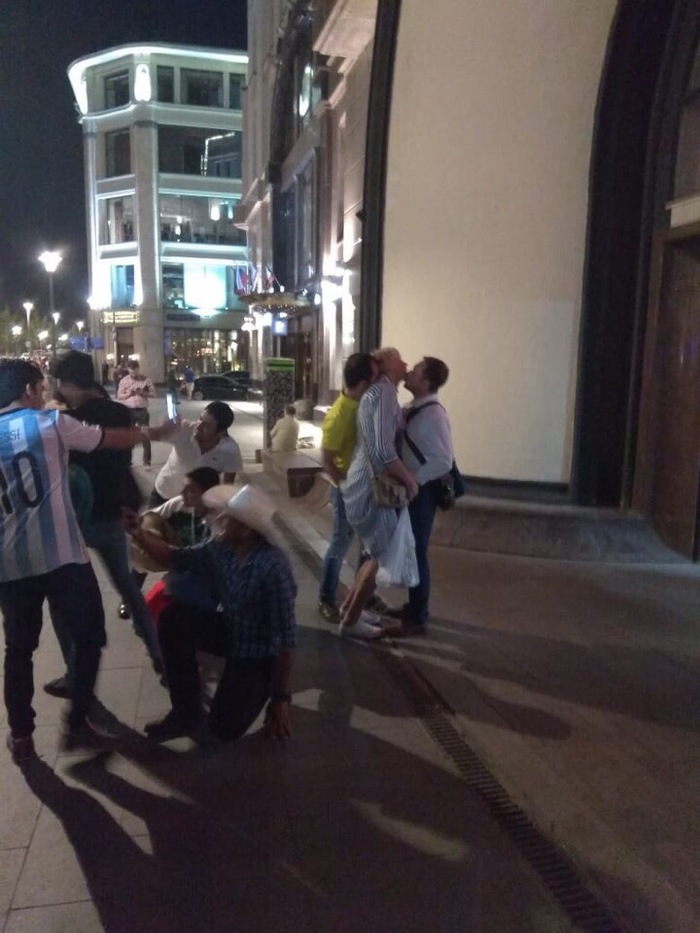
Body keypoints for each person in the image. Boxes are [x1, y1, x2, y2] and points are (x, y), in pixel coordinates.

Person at [0, 358, 145, 763]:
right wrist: (148, 432)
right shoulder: (50, 425)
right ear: (29, 391)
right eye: (41, 386)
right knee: (90, 635)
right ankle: (76, 723)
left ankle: (21, 734)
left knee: (19, 649)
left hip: (11, 564)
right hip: (62, 554)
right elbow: (107, 440)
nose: (46, 392)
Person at [125, 484, 297, 744]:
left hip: (259, 654)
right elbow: (174, 557)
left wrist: (281, 698)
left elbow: (287, 639)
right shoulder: (221, 547)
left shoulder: (273, 568)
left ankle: (255, 690)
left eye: (228, 517)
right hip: (232, 629)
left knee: (221, 731)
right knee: (174, 618)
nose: (220, 519)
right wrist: (138, 533)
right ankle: (185, 713)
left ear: (247, 530)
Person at [42, 351, 163, 699]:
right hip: (114, 512)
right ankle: (158, 654)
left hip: (77, 519)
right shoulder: (119, 411)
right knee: (128, 588)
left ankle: (75, 674)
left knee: (61, 600)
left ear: (66, 383)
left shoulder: (67, 421)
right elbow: (121, 463)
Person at [339, 348, 419, 639]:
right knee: (381, 555)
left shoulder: (381, 394)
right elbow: (382, 451)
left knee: (373, 552)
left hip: (363, 482)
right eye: (400, 358)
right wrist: (409, 480)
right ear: (387, 367)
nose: (406, 363)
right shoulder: (383, 393)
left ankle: (350, 610)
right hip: (369, 486)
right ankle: (350, 620)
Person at [385, 357, 454, 629]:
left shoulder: (434, 415)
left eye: (416, 371)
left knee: (417, 549)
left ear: (425, 382)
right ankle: (414, 607)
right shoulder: (412, 408)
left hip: (422, 492)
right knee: (411, 547)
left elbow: (443, 460)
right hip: (412, 489)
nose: (409, 373)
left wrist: (413, 481)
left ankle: (418, 614)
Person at [317, 353, 375, 623]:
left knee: (366, 543)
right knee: (340, 542)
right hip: (347, 489)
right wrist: (344, 485)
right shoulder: (340, 413)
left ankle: (362, 593)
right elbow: (327, 458)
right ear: (364, 381)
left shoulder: (361, 404)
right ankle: (326, 598)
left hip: (362, 486)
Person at [148, 400, 242, 505]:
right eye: (200, 419)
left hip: (195, 504)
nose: (199, 426)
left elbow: (227, 486)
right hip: (164, 494)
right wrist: (162, 429)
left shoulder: (230, 450)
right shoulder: (184, 429)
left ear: (220, 432)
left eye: (207, 425)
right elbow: (150, 435)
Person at [117, 359, 156, 468]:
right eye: (131, 372)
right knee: (128, 437)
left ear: (138, 369)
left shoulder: (146, 380)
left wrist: (143, 393)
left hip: (142, 411)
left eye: (135, 372)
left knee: (145, 436)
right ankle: (127, 461)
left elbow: (153, 394)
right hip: (129, 411)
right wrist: (129, 394)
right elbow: (119, 396)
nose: (133, 374)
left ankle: (147, 462)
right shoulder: (124, 381)